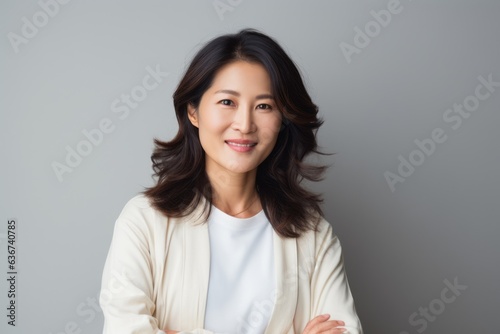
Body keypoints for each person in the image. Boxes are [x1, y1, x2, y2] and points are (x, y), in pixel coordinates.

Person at [99, 28, 363, 334]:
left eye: (264, 106)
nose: (245, 124)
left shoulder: (313, 234)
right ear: (193, 112)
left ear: (282, 120)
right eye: (227, 102)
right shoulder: (144, 221)